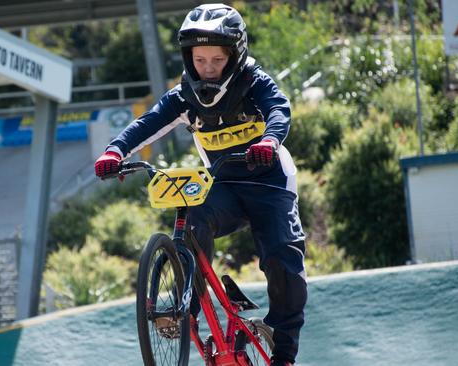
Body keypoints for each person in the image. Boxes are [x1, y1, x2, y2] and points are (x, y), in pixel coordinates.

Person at [94, 4, 307, 365]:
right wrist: (115, 151)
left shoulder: (254, 83)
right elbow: (148, 123)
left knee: (282, 260)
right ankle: (185, 309)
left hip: (271, 183)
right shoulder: (184, 97)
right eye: (200, 59)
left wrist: (269, 142)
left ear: (236, 56)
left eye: (217, 60)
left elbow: (279, 110)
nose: (207, 68)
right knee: (193, 217)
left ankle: (284, 352)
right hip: (223, 185)